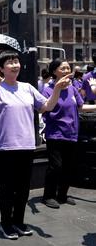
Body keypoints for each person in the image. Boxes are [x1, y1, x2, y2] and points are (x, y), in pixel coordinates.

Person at [0, 51, 73, 240]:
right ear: (0, 69)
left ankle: (18, 221)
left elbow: (46, 106)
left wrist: (56, 89)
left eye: (16, 61)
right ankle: (6, 224)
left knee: (23, 187)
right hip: (6, 146)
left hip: (26, 144)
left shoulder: (27, 88)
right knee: (7, 187)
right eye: (10, 62)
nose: (15, 65)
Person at [40, 59, 96, 209]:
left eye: (67, 68)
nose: (66, 71)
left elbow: (81, 106)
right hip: (55, 134)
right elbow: (44, 108)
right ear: (54, 71)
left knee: (68, 166)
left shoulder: (71, 89)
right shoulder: (47, 89)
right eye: (62, 68)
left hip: (71, 133)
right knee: (55, 166)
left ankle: (62, 195)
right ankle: (48, 195)